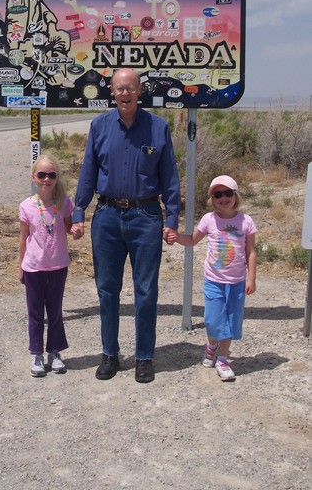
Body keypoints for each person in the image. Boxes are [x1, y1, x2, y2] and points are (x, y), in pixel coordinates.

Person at [71, 68, 181, 383]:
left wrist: (172, 219)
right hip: (106, 217)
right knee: (107, 290)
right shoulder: (99, 126)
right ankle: (110, 355)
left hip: (146, 217)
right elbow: (88, 173)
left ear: (139, 90)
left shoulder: (158, 128)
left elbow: (170, 177)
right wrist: (79, 211)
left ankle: (144, 357)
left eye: (130, 88)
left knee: (146, 291)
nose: (125, 94)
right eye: (119, 89)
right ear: (112, 91)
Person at [174, 175, 257, 381]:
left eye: (228, 193)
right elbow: (192, 240)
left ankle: (222, 358)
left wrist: (251, 278)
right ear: (212, 198)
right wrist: (175, 237)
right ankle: (211, 345)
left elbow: (251, 251)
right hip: (213, 281)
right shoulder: (209, 220)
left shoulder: (246, 221)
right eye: (218, 194)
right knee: (212, 320)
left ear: (235, 195)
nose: (224, 198)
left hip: (236, 283)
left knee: (230, 320)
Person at [19, 153, 78, 378]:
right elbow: (23, 238)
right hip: (33, 268)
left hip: (57, 266)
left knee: (55, 312)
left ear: (56, 177)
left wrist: (77, 230)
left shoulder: (64, 203)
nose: (46, 179)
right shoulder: (26, 206)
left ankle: (54, 352)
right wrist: (20, 267)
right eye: (41, 174)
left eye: (51, 175)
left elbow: (71, 228)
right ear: (34, 177)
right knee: (35, 313)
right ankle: (36, 354)